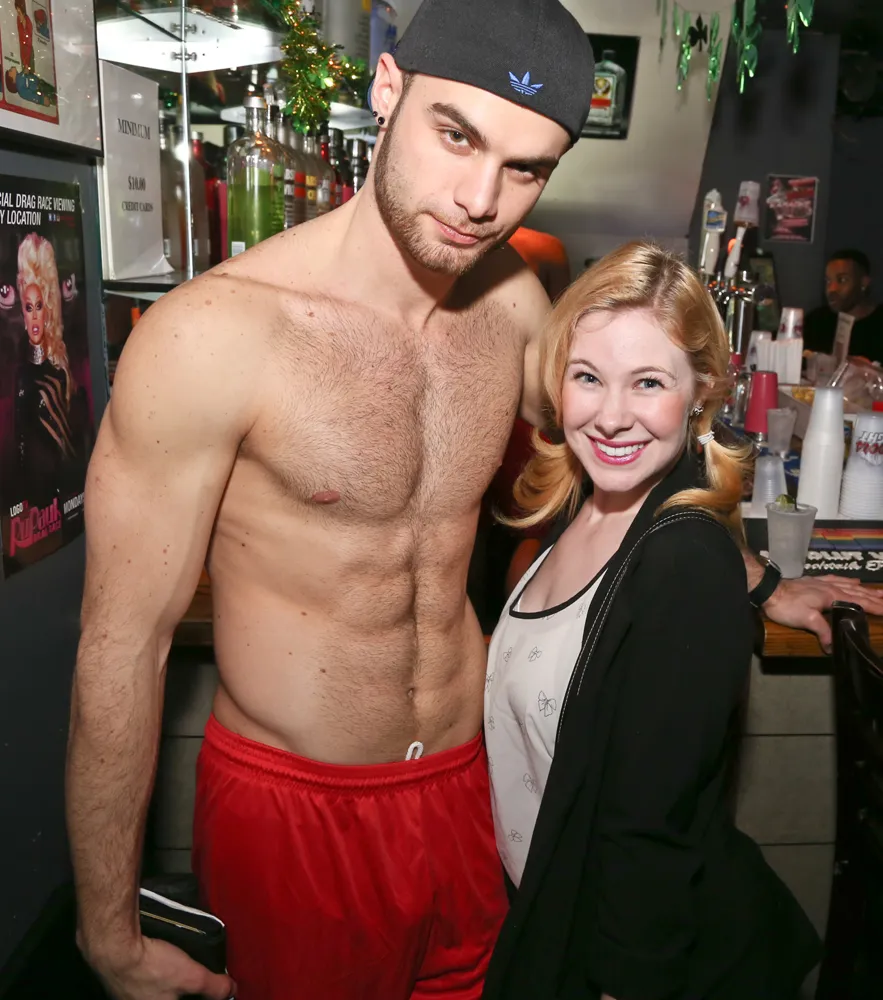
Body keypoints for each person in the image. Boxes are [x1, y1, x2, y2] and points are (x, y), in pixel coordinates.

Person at [66, 0, 881, 997]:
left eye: (526, 168)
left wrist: (753, 578)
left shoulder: (512, 305)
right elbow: (121, 646)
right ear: (387, 89)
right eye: (456, 136)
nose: (480, 199)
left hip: (473, 788)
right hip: (301, 812)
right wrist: (106, 926)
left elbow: (618, 447)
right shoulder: (211, 337)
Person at [482, 242, 821, 1000]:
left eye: (647, 382)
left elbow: (648, 833)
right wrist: (767, 583)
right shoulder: (585, 500)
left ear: (701, 391)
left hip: (630, 960)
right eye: (587, 377)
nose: (611, 416)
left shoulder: (684, 565)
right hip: (551, 910)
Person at [14, 232, 83, 507]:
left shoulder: (58, 369)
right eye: (28, 307)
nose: (34, 316)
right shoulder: (21, 376)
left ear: (47, 310)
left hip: (64, 489)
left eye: (39, 307)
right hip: (35, 492)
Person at [804, 248, 883, 362]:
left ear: (864, 283)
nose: (832, 289)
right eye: (828, 281)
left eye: (842, 280)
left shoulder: (879, 323)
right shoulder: (816, 321)